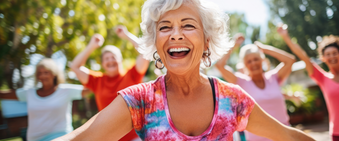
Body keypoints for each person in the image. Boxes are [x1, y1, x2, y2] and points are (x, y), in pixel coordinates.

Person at [54, 0, 315, 140]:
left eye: (188, 25)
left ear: (207, 40)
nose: (175, 35)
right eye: (165, 27)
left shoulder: (232, 99)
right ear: (155, 42)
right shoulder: (139, 100)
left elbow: (287, 136)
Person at [69, 26, 150, 141]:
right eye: (106, 59)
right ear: (102, 64)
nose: (110, 60)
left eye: (113, 57)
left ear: (120, 60)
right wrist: (91, 46)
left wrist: (126, 35)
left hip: (136, 137)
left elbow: (145, 52)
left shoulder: (132, 75)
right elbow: (75, 67)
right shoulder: (97, 81)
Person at [215, 34, 295, 141]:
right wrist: (234, 45)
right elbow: (219, 65)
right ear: (245, 65)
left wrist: (265, 49)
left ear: (262, 60)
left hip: (285, 136)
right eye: (249, 61)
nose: (253, 63)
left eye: (256, 59)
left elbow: (290, 60)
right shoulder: (241, 82)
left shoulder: (274, 77)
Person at [0, 58, 88, 141]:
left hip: (60, 136)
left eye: (46, 72)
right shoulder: (29, 93)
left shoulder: (66, 90)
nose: (42, 76)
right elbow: (4, 95)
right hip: (34, 138)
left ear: (54, 74)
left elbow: (91, 89)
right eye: (39, 73)